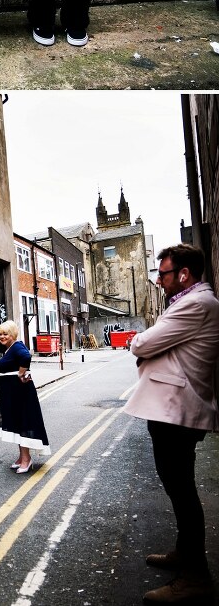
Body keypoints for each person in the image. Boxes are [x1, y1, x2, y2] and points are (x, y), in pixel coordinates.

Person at [123, 244, 219, 604]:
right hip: (170, 409)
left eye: (162, 274)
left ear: (183, 274)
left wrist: (142, 341)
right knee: (178, 487)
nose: (159, 281)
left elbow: (143, 343)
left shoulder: (195, 304)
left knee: (182, 491)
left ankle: (196, 577)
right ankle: (185, 553)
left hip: (177, 410)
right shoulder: (189, 303)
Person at [0, 320, 50, 473]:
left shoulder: (17, 347)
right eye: (0, 334)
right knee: (17, 424)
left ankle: (26, 460)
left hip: (20, 394)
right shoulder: (10, 349)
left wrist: (20, 373)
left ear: (12, 334)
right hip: (13, 394)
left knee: (22, 424)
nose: (2, 336)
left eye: (5, 334)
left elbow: (26, 357)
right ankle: (22, 457)